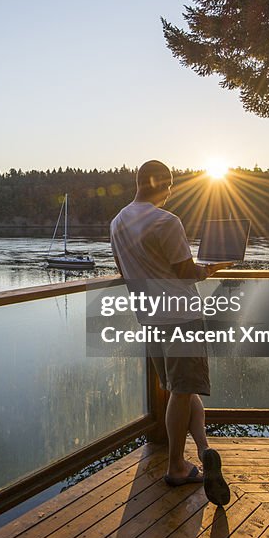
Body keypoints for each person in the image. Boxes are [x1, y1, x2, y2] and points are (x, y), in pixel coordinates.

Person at [109, 160, 232, 506]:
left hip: (149, 319)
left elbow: (123, 269)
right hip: (181, 317)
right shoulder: (167, 221)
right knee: (182, 391)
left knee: (181, 388)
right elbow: (185, 272)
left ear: (138, 183)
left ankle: (204, 449)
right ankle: (176, 466)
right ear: (165, 186)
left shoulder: (117, 222)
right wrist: (212, 266)